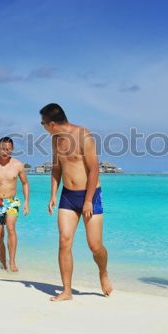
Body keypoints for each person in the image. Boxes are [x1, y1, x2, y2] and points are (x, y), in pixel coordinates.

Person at [40, 103, 112, 301]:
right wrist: (53, 194)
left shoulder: (84, 136)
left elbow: (94, 169)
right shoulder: (55, 140)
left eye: (43, 123)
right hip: (68, 196)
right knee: (64, 241)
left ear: (52, 123)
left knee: (95, 246)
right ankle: (67, 291)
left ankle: (103, 273)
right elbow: (56, 168)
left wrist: (88, 201)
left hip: (91, 195)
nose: (42, 126)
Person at [0, 137, 30, 272]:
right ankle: (3, 265)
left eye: (8, 149)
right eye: (3, 149)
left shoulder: (18, 165)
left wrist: (26, 202)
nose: (5, 152)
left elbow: (25, 183)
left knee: (10, 228)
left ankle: (12, 262)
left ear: (12, 149)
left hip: (11, 201)